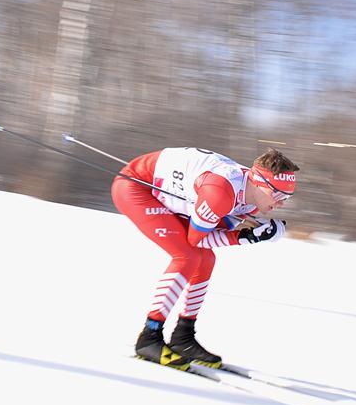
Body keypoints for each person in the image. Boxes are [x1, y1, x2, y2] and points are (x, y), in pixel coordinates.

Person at [111, 146, 299, 370]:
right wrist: (248, 237)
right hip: (136, 186)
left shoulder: (250, 199)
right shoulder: (221, 192)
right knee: (187, 256)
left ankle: (183, 336)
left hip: (170, 190)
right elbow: (197, 240)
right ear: (258, 182)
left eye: (286, 196)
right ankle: (149, 337)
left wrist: (253, 234)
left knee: (206, 259)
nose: (280, 203)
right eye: (277, 194)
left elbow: (212, 234)